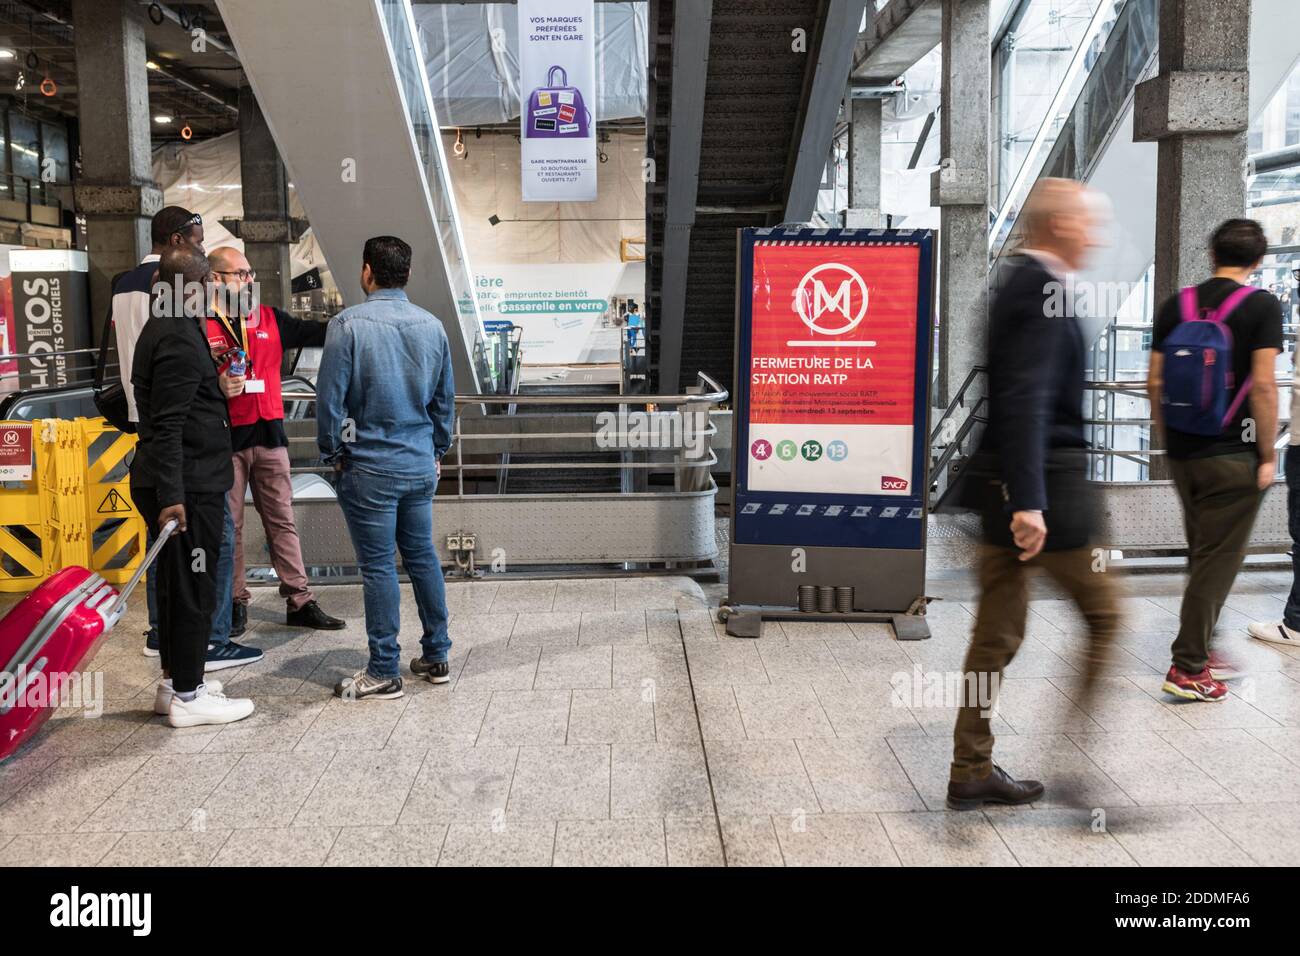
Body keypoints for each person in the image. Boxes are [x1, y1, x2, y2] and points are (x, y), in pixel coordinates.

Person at [947, 178, 1121, 810]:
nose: (1097, 234)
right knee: (1107, 618)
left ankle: (971, 767)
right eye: (1088, 222)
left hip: (1013, 488)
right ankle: (1073, 766)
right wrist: (1029, 500)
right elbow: (1026, 398)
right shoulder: (1043, 288)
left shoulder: (1016, 280)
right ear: (1059, 226)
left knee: (995, 634)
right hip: (1045, 496)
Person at [316, 236, 455, 700]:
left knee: (378, 568)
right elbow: (445, 402)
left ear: (367, 271)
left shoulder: (348, 325)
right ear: (408, 274)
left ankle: (383, 670)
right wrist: (436, 451)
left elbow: (329, 402)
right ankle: (436, 656)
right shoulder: (432, 326)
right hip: (418, 464)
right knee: (422, 558)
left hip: (369, 467)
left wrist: (332, 451)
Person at [1150, 219, 1282, 698]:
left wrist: (1171, 445)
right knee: (1218, 561)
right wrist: (1267, 455)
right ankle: (1188, 667)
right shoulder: (1262, 306)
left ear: (1211, 253)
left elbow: (1155, 384)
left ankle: (1206, 647)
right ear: (1259, 259)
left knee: (1202, 555)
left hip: (1185, 453)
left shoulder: (1177, 304)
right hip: (1233, 454)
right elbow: (1264, 387)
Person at [129, 245, 254, 727]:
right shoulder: (180, 337)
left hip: (175, 478)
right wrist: (173, 498)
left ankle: (174, 681)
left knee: (175, 586)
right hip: (187, 484)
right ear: (198, 287)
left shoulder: (161, 327)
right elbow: (170, 425)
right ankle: (189, 693)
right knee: (193, 586)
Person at [206, 247, 346, 636]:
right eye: (240, 274)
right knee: (229, 527)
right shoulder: (199, 324)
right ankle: (235, 603)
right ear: (215, 279)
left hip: (270, 436)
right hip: (225, 439)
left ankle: (300, 600)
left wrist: (353, 319)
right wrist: (216, 384)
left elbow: (317, 332)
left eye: (251, 273)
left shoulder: (268, 317)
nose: (249, 280)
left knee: (282, 521)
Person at [110, 206, 206, 660]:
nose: (199, 249)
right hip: (170, 415)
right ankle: (167, 637)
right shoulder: (166, 296)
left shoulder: (121, 285)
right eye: (196, 241)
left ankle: (158, 631)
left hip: (138, 408)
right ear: (175, 242)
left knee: (158, 534)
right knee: (175, 540)